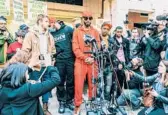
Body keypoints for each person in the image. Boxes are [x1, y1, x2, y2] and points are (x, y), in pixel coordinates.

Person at [8, 14, 56, 115]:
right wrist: (21, 62)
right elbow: (25, 51)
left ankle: (45, 108)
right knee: (34, 87)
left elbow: (53, 50)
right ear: (40, 22)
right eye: (46, 21)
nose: (48, 24)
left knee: (46, 87)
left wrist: (52, 60)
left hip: (47, 66)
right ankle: (35, 108)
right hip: (35, 66)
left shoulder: (50, 36)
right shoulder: (30, 35)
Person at [72, 11, 100, 115]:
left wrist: (93, 57)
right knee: (78, 85)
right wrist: (84, 57)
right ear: (82, 19)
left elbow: (98, 46)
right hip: (80, 61)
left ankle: (91, 103)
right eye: (86, 18)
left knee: (93, 84)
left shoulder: (95, 31)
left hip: (92, 61)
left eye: (90, 18)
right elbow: (75, 48)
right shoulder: (77, 31)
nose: (88, 20)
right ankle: (78, 105)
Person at [50, 20, 75, 113]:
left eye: (52, 24)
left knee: (71, 81)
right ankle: (61, 101)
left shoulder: (68, 29)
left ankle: (69, 100)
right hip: (59, 61)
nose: (51, 26)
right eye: (50, 24)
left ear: (56, 22)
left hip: (70, 59)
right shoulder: (51, 33)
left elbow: (76, 40)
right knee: (59, 82)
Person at [108, 26, 130, 97]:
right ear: (115, 31)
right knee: (113, 80)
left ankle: (119, 96)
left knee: (121, 80)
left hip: (123, 62)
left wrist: (127, 61)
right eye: (118, 32)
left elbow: (128, 51)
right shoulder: (111, 40)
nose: (119, 33)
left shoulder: (125, 40)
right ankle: (111, 96)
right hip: (115, 62)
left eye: (120, 32)